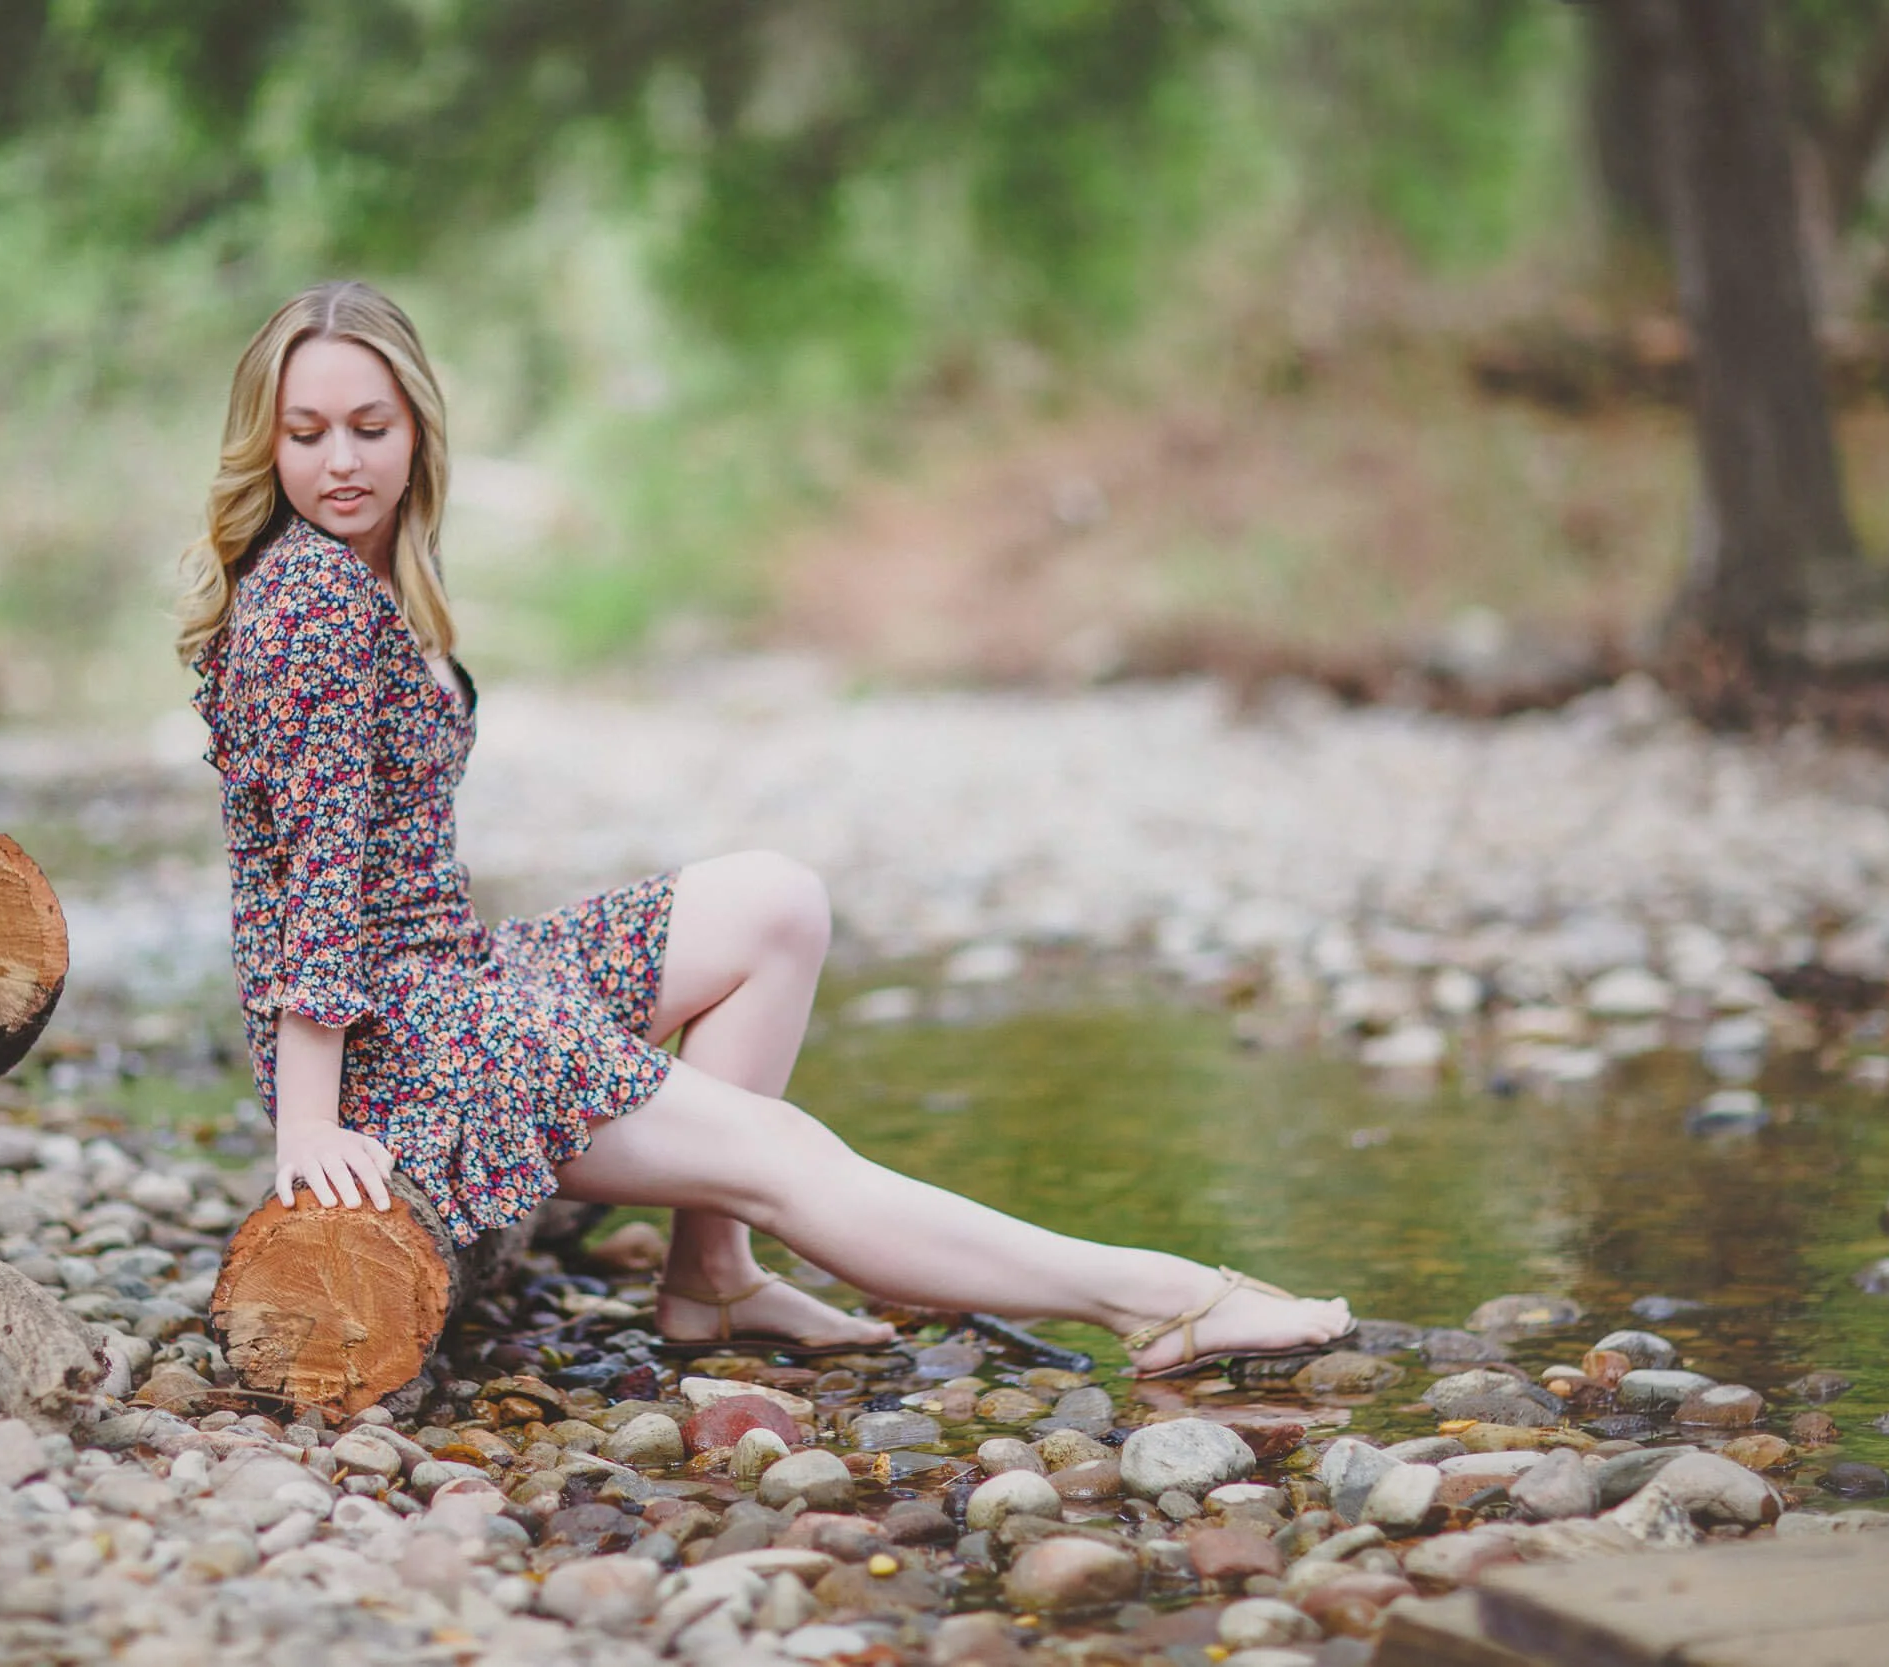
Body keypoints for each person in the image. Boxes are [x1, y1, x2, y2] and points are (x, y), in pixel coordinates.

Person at [177, 280, 1353, 1374]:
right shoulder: (316, 601)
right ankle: (1160, 1297)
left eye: (369, 427)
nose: (340, 460)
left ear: (418, 430)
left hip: (455, 980)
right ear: (267, 442)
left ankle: (713, 1278)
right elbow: (316, 879)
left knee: (773, 901)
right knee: (783, 1152)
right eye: (307, 431)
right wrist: (313, 1122)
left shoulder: (373, 575)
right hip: (405, 1046)